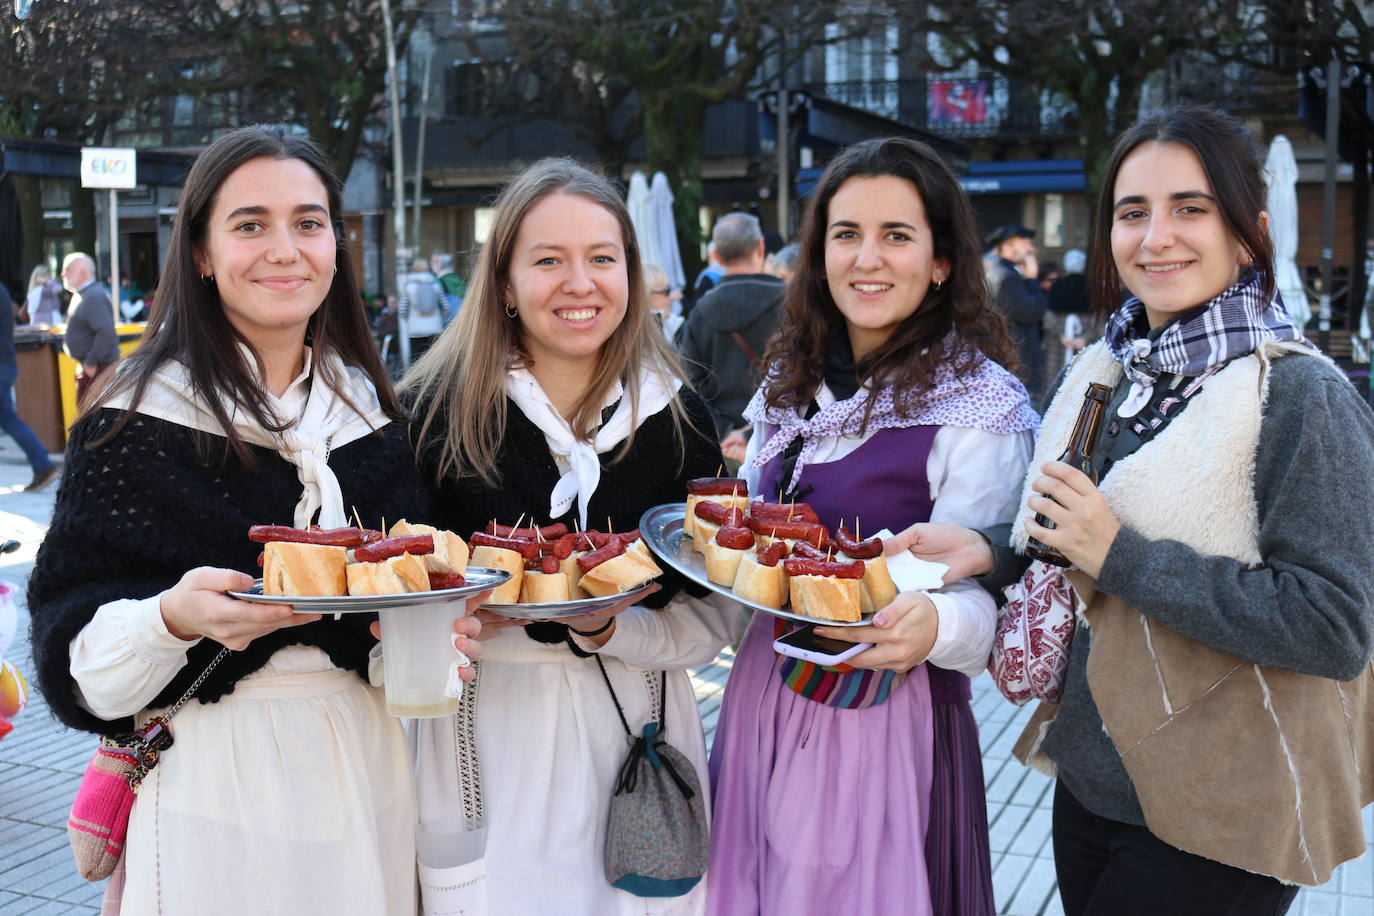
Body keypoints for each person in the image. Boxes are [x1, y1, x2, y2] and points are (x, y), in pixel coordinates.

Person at [903, 105, 1374, 916]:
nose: (1157, 236)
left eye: (1190, 208)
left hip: (1224, 802)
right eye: (1132, 213)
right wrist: (988, 548)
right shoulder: (1108, 371)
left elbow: (1335, 626)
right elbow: (1069, 534)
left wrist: (1120, 554)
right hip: (1093, 775)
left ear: (1249, 233)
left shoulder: (1299, 394)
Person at [26, 125, 485, 916]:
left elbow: (400, 635)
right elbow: (73, 662)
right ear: (201, 252)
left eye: (309, 223)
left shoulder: (373, 421)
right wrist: (171, 619)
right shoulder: (135, 422)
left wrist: (434, 641)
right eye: (250, 225)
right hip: (212, 789)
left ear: (335, 247)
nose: (285, 248)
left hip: (366, 781)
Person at [706, 137, 1037, 916]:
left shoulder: (979, 405)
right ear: (819, 253)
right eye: (847, 233)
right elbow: (752, 544)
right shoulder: (793, 384)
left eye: (897, 235)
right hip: (760, 694)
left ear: (942, 260)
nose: (867, 259)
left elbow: (988, 593)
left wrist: (933, 625)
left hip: (882, 715)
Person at [403, 158, 737, 915]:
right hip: (482, 736)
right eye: (548, 260)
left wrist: (613, 627)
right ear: (505, 284)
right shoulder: (432, 413)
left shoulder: (678, 420)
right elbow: (391, 606)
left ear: (632, 273)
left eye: (602, 258)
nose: (579, 283)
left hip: (640, 729)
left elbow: (715, 614)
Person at [679, 212, 785, 445]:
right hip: (782, 438)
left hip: (722, 443)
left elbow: (688, 386)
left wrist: (726, 432)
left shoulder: (699, 313)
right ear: (760, 247)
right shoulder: (793, 303)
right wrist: (752, 434)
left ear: (716, 256)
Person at [0, 281, 58, 490]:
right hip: (5, 364)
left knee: (9, 420)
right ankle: (42, 465)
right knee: (9, 419)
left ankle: (43, 465)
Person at [984, 224, 1047, 399]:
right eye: (1026, 243)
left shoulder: (1002, 271)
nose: (1031, 249)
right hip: (1018, 361)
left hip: (1013, 359)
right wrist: (1032, 280)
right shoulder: (1004, 276)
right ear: (1007, 247)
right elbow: (1032, 312)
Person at [59, 253, 121, 404]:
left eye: (67, 269)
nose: (63, 274)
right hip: (94, 370)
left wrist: (91, 362)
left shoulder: (93, 296)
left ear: (82, 272)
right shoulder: (86, 294)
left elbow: (105, 332)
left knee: (93, 420)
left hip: (98, 370)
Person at [1042, 248, 1100, 381]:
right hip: (1085, 336)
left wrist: (1061, 336)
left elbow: (1049, 317)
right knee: (1081, 378)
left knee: (1056, 379)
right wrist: (1086, 338)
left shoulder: (1056, 286)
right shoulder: (1093, 287)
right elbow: (1099, 318)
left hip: (1059, 338)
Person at [400, 257, 445, 362]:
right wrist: (439, 320)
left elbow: (402, 310)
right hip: (434, 329)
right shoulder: (436, 285)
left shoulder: (409, 286)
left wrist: (409, 322)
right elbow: (446, 307)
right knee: (434, 362)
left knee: (417, 363)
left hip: (416, 331)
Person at [645, 262, 684, 342]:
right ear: (648, 295)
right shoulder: (644, 335)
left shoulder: (669, 325)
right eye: (666, 291)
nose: (671, 297)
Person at [431, 250, 467, 321]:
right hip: (462, 319)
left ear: (442, 264)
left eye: (436, 261)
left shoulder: (438, 281)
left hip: (447, 320)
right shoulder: (459, 279)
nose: (433, 264)